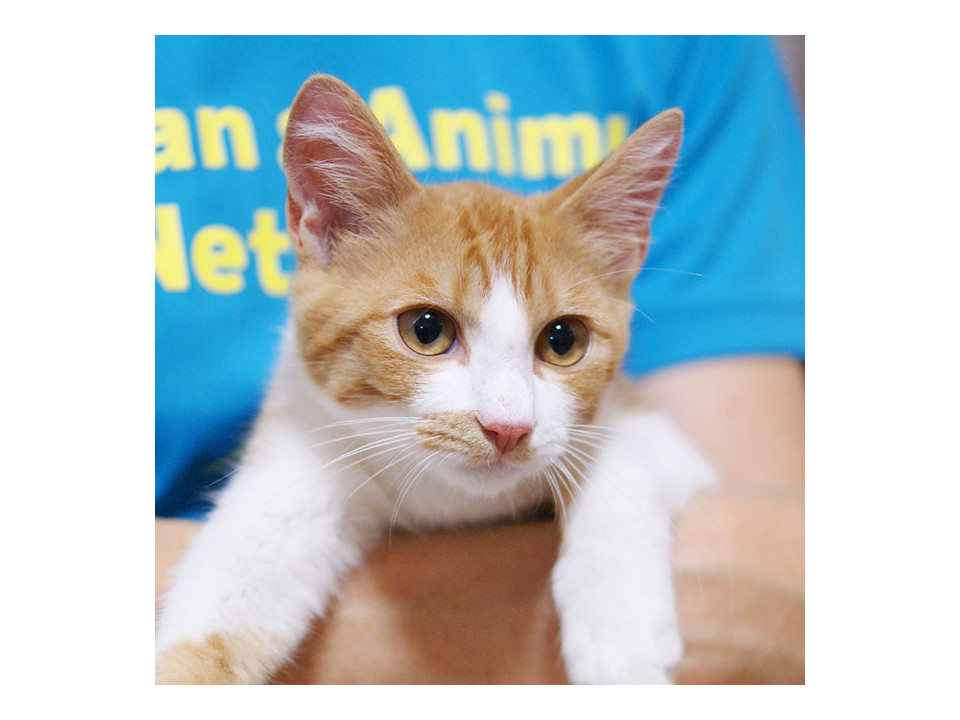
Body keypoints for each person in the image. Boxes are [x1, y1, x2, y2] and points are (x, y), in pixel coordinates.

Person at [155, 35, 804, 683]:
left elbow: (770, 566)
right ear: (329, 230)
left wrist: (614, 514)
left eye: (560, 342)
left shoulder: (695, 48)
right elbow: (241, 584)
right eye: (429, 331)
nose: (508, 418)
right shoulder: (320, 428)